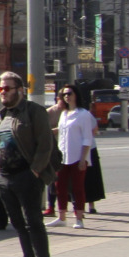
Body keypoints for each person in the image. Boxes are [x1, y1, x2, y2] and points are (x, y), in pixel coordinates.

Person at [0, 71, 57, 257]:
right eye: (0, 89)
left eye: (7, 88)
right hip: (4, 178)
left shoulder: (34, 112)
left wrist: (35, 170)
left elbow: (46, 144)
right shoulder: (0, 116)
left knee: (33, 222)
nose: (3, 92)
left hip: (27, 175)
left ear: (20, 90)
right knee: (17, 223)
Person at [50, 85, 95, 228]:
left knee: (77, 188)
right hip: (63, 156)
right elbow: (63, 132)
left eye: (69, 93)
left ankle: (79, 219)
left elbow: (87, 138)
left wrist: (83, 158)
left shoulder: (83, 114)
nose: (66, 96)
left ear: (76, 94)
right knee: (60, 186)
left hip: (78, 157)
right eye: (64, 95)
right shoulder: (64, 114)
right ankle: (62, 217)